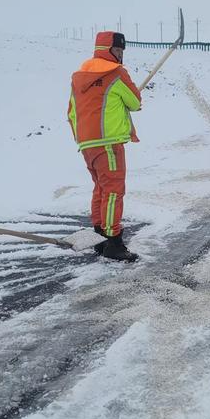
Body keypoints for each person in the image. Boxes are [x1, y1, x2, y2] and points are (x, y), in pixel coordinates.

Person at [68, 31, 142, 262]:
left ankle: (99, 235)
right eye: (118, 51)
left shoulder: (79, 77)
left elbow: (71, 112)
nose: (120, 56)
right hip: (109, 142)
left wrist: (83, 137)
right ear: (108, 50)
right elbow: (135, 101)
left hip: (87, 143)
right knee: (113, 191)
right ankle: (113, 241)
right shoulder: (116, 73)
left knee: (101, 189)